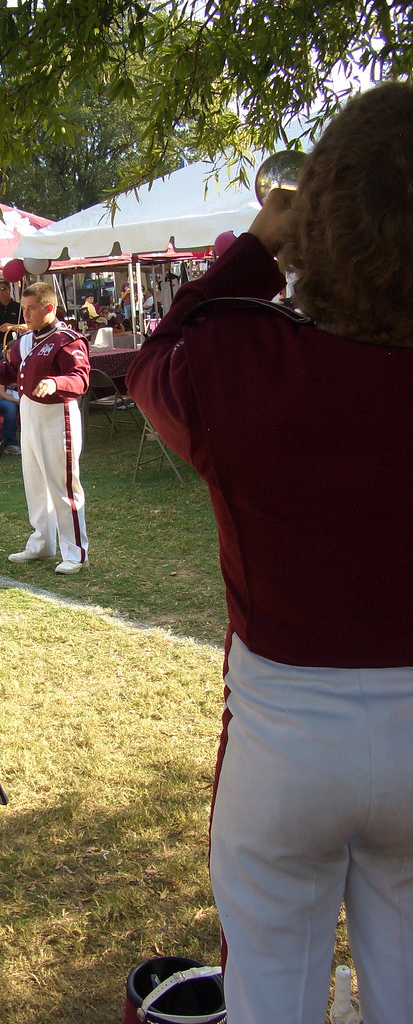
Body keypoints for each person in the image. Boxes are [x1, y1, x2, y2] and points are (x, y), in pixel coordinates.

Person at [126, 81, 413, 1024]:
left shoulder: (237, 361)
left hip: (284, 740)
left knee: (268, 996)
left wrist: (259, 242)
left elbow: (153, 358)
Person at [0, 280, 89, 574]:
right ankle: (42, 543)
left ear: (49, 308)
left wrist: (56, 381)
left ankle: (75, 551)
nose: (26, 314)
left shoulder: (67, 339)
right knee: (34, 482)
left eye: (32, 309)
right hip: (29, 411)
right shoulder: (24, 341)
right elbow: (8, 372)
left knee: (63, 483)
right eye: (25, 308)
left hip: (57, 413)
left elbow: (80, 379)